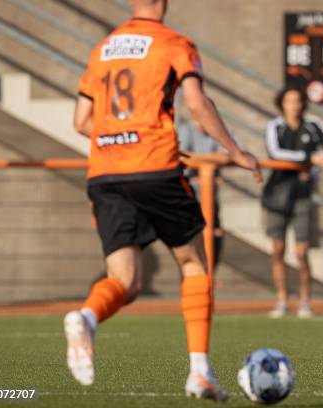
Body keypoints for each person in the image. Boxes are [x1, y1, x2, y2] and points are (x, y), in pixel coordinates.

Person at [66, 0, 261, 401]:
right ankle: (199, 372)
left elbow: (82, 122)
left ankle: (86, 317)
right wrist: (236, 151)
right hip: (154, 166)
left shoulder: (103, 48)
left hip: (105, 172)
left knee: (125, 281)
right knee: (194, 264)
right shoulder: (173, 42)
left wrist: (125, 142)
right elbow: (196, 103)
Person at [263, 85, 323, 318]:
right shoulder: (274, 125)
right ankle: (282, 300)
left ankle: (305, 301)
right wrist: (309, 159)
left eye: (297, 100)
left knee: (301, 251)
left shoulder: (313, 123)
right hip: (277, 193)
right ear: (282, 103)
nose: (294, 105)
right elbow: (275, 153)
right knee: (278, 249)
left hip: (302, 194)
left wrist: (316, 164)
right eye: (289, 101)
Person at [178, 117, 238, 269]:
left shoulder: (218, 130)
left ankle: (209, 277)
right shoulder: (186, 130)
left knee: (214, 238)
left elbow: (231, 154)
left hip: (210, 199)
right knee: (191, 246)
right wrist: (214, 159)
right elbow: (181, 155)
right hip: (190, 199)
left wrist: (198, 159)